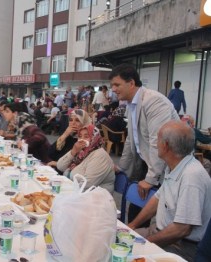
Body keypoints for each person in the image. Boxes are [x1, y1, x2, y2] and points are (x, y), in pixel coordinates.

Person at [128, 120, 211, 261]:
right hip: (162, 232)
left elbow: (182, 229)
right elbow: (158, 199)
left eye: (157, 139)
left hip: (182, 247)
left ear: (166, 146)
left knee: (128, 252)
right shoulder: (175, 164)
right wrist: (132, 225)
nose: (154, 144)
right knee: (119, 238)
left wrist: (147, 243)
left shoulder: (192, 177)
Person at [110, 63, 179, 200]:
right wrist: (122, 167)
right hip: (147, 163)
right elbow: (131, 139)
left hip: (169, 167)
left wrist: (151, 179)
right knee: (137, 209)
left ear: (131, 83)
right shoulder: (131, 104)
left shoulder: (154, 101)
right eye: (112, 85)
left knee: (165, 214)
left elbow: (157, 142)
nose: (113, 89)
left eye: (117, 85)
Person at [55, 124, 115, 194]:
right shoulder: (81, 151)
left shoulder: (100, 156)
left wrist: (65, 189)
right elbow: (60, 166)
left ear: (95, 137)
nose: (81, 140)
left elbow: (87, 184)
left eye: (86, 136)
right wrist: (73, 151)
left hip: (94, 198)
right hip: (77, 192)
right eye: (80, 136)